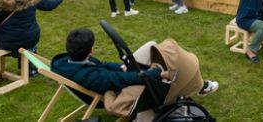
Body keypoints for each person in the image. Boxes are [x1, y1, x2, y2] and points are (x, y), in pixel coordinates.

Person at [50, 28, 219, 109]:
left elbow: (102, 65)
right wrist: (155, 72)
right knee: (164, 63)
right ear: (90, 50)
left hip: (114, 80)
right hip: (116, 93)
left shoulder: (65, 61)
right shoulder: (91, 77)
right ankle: (200, 85)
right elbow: (120, 80)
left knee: (152, 45)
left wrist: (123, 66)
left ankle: (196, 83)